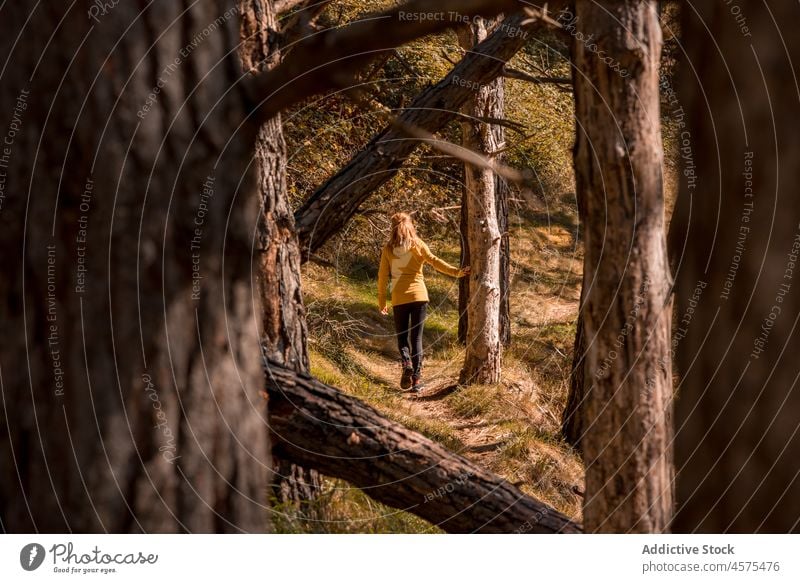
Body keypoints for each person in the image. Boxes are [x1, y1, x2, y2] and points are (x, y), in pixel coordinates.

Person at [377, 212, 469, 392]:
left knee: (402, 338)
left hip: (399, 298)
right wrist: (457, 272)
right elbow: (435, 261)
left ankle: (406, 364)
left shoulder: (388, 249)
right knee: (416, 338)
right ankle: (416, 381)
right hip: (419, 297)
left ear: (392, 228)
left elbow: (382, 277)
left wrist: (382, 301)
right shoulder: (417, 244)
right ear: (410, 225)